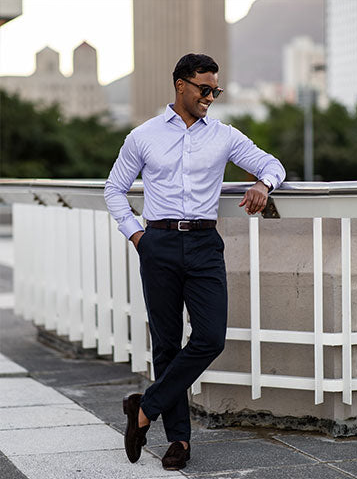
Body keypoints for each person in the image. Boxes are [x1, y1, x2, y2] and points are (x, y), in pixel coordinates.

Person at [104, 53, 285, 470]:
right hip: (158, 243)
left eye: (215, 91)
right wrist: (136, 235)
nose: (211, 97)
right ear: (181, 85)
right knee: (166, 344)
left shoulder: (224, 135)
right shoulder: (143, 136)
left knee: (210, 337)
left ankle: (144, 409)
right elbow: (114, 189)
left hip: (205, 245)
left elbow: (272, 164)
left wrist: (264, 183)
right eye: (205, 89)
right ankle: (179, 441)